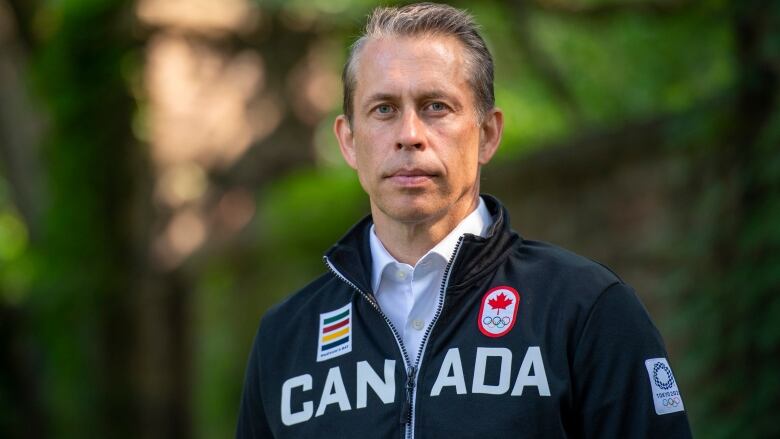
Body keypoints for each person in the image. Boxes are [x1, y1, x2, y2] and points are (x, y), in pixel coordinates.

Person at [236, 3, 692, 438]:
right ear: (349, 141)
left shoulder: (586, 309)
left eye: (436, 106)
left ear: (488, 134)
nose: (409, 136)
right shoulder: (286, 336)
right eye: (384, 110)